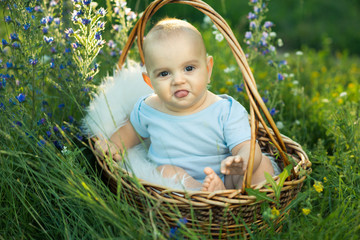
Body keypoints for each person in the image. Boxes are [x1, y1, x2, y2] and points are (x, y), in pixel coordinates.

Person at [94, 18, 274, 191]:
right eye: (164, 73)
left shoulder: (224, 110)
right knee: (165, 171)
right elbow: (130, 132)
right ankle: (203, 194)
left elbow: (246, 146)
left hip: (228, 180)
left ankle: (245, 205)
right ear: (150, 82)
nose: (178, 80)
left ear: (208, 69)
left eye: (189, 68)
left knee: (262, 164)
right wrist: (113, 145)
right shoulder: (147, 108)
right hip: (182, 187)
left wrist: (240, 162)